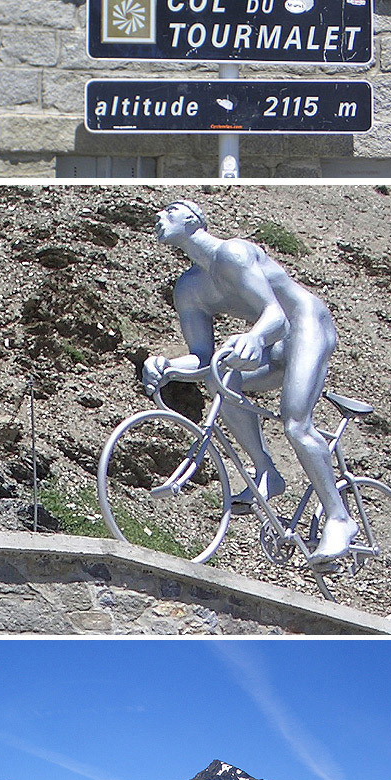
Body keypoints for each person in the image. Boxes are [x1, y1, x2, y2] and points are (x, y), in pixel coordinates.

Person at [143, 200, 358, 566]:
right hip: (272, 345)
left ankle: (340, 518)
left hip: (305, 326)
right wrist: (169, 367)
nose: (158, 218)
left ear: (193, 219)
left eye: (169, 211)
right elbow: (201, 357)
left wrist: (255, 338)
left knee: (296, 424)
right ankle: (266, 471)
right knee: (218, 380)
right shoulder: (189, 288)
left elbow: (276, 315)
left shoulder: (234, 252)